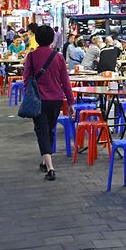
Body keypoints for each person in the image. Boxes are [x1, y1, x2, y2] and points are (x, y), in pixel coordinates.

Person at [23, 25, 74, 180]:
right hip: (56, 100)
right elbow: (65, 82)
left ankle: (50, 168)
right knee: (49, 129)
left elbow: (26, 81)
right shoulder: (58, 57)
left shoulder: (31, 57)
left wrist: (28, 97)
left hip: (38, 100)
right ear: (52, 38)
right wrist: (71, 102)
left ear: (36, 38)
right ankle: (45, 161)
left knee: (41, 130)